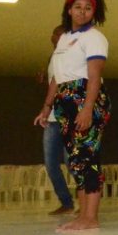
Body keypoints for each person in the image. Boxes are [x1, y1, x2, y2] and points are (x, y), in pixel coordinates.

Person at [33, 0, 111, 231]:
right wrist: (47, 107)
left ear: (94, 12)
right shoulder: (65, 38)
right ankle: (83, 215)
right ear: (69, 10)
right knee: (77, 160)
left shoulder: (95, 37)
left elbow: (94, 76)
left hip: (86, 96)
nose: (82, 12)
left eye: (88, 8)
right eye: (78, 7)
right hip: (65, 100)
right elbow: (57, 78)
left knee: (89, 157)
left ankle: (91, 217)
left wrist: (87, 109)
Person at [40, 24, 75, 215]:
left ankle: (88, 199)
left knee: (72, 162)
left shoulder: (71, 57)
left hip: (69, 116)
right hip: (52, 119)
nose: (56, 37)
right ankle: (66, 202)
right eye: (55, 34)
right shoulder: (53, 58)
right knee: (50, 163)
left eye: (60, 35)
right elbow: (54, 82)